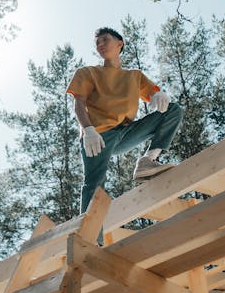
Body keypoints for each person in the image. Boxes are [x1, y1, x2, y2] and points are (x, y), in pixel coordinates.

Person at [66, 27, 182, 242]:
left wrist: (158, 94)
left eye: (105, 40)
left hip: (126, 133)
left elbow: (153, 94)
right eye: (97, 43)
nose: (100, 45)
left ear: (120, 43)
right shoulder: (88, 73)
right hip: (98, 136)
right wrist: (88, 129)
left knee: (174, 110)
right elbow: (79, 104)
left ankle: (148, 161)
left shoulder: (134, 76)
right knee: (94, 183)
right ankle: (91, 240)